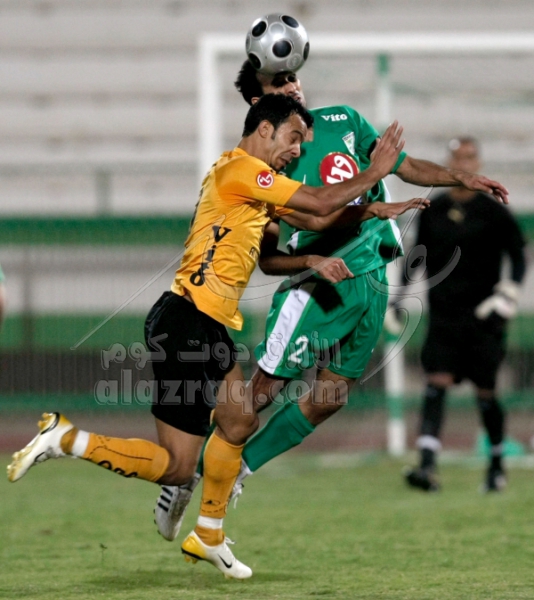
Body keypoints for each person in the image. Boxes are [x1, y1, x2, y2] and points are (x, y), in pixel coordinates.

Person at [7, 93, 421, 579]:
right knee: (178, 466)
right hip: (186, 321)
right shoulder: (243, 170)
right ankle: (65, 438)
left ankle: (208, 533)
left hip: (204, 322)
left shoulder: (253, 182)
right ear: (264, 129)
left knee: (239, 423)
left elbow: (313, 220)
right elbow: (319, 201)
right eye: (293, 138)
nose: (297, 150)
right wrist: (376, 171)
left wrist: (366, 215)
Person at [158, 62, 509, 566]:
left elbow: (403, 164)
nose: (292, 85)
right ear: (260, 105)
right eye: (279, 83)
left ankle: (237, 471)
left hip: (372, 279)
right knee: (258, 396)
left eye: (292, 76)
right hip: (320, 288)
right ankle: (190, 477)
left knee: (329, 397)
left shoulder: (343, 119)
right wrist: (313, 257)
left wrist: (458, 177)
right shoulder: (268, 167)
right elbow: (273, 255)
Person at [402, 137, 526, 493]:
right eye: (457, 157)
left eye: (470, 157)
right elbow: (416, 257)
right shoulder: (434, 209)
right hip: (443, 315)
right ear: (450, 162)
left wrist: (510, 292)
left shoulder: (493, 210)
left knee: (486, 392)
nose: (464, 163)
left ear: (478, 162)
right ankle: (427, 467)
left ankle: (496, 466)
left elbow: (518, 255)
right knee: (435, 384)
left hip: (484, 318)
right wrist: (398, 299)